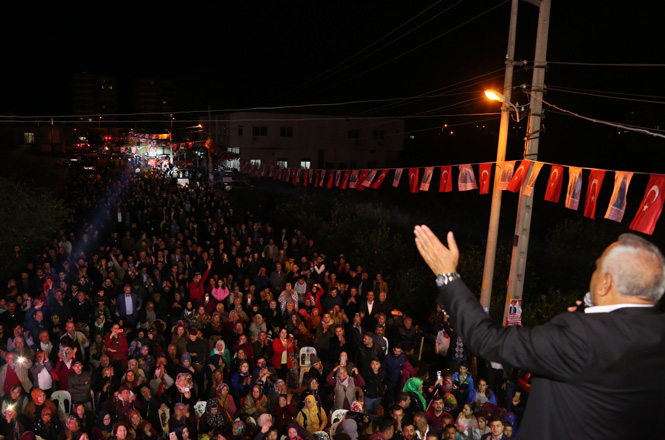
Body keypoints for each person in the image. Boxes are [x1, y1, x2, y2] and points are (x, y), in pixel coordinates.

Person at [414, 226, 665, 440]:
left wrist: (447, 277)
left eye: (597, 269)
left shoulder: (581, 335)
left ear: (606, 283)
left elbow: (487, 339)